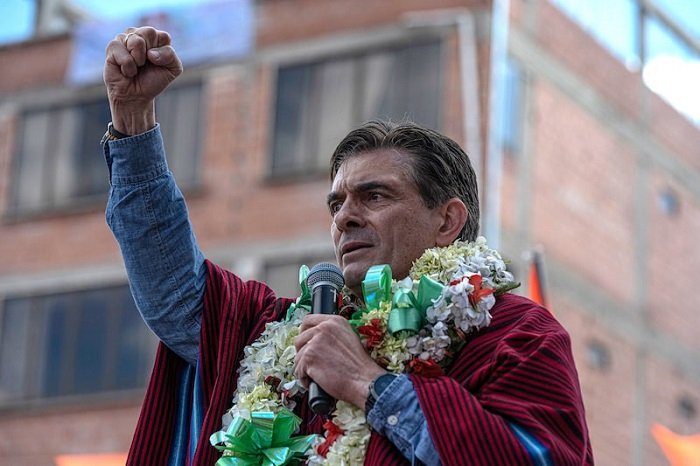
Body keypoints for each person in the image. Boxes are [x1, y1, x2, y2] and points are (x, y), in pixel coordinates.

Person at [102, 26, 593, 465]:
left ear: (447, 220)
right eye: (336, 203)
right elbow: (175, 292)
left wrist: (366, 382)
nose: (344, 217)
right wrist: (133, 119)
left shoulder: (517, 334)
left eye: (374, 196)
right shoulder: (286, 334)